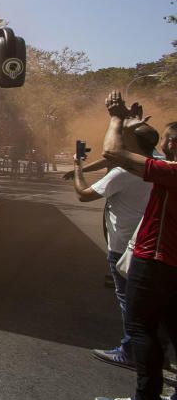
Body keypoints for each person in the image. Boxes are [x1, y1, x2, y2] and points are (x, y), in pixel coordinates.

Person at [94, 92, 177, 400]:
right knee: (172, 326)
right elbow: (144, 151)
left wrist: (116, 119)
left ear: (171, 145)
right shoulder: (166, 168)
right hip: (171, 263)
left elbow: (114, 153)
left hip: (156, 260)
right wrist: (135, 127)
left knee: (142, 328)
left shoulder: (171, 171)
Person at [71, 121, 158, 370]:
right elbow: (113, 159)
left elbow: (83, 194)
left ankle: (131, 350)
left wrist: (78, 168)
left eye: (127, 138)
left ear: (134, 144)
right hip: (147, 239)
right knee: (144, 299)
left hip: (123, 245)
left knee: (127, 299)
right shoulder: (159, 164)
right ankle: (151, 348)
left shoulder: (124, 173)